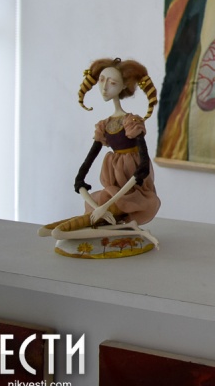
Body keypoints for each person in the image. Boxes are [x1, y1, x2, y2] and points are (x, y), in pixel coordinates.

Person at [39, 58, 160, 246]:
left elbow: (142, 169)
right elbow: (82, 174)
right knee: (67, 227)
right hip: (112, 185)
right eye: (102, 80)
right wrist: (96, 205)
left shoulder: (131, 122)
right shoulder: (104, 125)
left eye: (112, 83)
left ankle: (125, 226)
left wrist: (104, 207)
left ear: (123, 86)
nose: (104, 88)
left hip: (131, 186)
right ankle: (119, 227)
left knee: (102, 215)